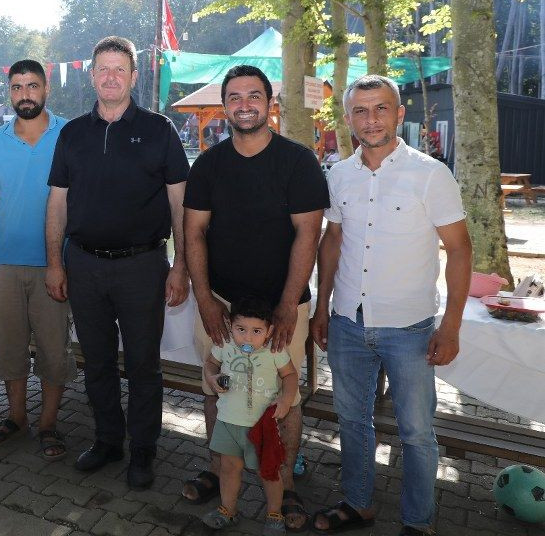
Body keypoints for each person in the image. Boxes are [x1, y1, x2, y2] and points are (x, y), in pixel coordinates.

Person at [310, 75, 471, 536]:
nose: (371, 119)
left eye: (381, 108)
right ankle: (358, 503)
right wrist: (323, 308)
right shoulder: (338, 174)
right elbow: (334, 239)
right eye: (360, 110)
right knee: (352, 421)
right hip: (347, 325)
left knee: (417, 432)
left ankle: (418, 521)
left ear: (400, 114)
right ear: (347, 119)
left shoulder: (431, 174)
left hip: (410, 329)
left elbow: (460, 249)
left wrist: (452, 325)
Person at [182, 65, 328, 530]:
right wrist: (204, 299)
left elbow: (309, 234)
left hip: (283, 305)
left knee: (284, 396)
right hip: (222, 304)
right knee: (216, 389)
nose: (244, 104)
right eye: (235, 97)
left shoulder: (298, 161)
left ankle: (283, 488)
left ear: (270, 104)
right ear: (225, 105)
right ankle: (218, 470)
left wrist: (288, 304)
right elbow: (194, 233)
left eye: (254, 96)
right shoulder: (208, 164)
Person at [46, 36, 190, 489]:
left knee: (144, 364)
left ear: (132, 75)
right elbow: (57, 204)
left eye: (119, 69)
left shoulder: (159, 129)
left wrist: (181, 264)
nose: (110, 77)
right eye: (102, 69)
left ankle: (143, 450)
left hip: (142, 266)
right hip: (84, 265)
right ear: (92, 75)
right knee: (98, 361)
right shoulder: (72, 134)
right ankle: (109, 440)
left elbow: (180, 203)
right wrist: (55, 261)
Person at [0, 59, 75, 460]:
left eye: (32, 85)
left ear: (46, 88)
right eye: (17, 87)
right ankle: (16, 418)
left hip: (57, 264)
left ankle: (48, 425)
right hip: (7, 262)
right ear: (9, 91)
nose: (25, 94)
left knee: (53, 349)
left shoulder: (69, 132)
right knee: (9, 346)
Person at [200, 300, 298, 535]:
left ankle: (274, 514)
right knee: (228, 468)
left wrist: (285, 400)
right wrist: (212, 379)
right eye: (240, 329)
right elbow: (211, 364)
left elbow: (290, 375)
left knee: (268, 472)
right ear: (230, 326)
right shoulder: (224, 345)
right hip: (227, 422)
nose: (247, 337)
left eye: (256, 331)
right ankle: (228, 510)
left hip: (260, 427)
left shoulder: (274, 350)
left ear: (269, 332)